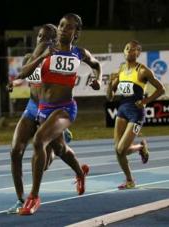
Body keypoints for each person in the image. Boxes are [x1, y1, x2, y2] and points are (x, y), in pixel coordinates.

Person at [15, 13, 102, 215]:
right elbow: (23, 73)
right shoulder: (48, 49)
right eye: (62, 25)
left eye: (69, 27)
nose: (63, 29)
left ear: (77, 32)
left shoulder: (80, 53)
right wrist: (43, 57)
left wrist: (96, 79)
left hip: (65, 109)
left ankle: (33, 197)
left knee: (38, 141)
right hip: (43, 109)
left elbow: (96, 65)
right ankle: (81, 173)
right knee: (61, 149)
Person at [7, 24, 82, 214]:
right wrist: (13, 83)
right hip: (31, 108)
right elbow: (22, 77)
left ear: (55, 40)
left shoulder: (56, 58)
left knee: (49, 159)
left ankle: (62, 143)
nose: (43, 40)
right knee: (15, 151)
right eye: (40, 36)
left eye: (48, 37)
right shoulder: (29, 58)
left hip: (49, 112)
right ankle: (20, 199)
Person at [106, 40, 165, 190]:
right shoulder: (121, 69)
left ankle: (139, 148)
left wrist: (146, 100)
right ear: (124, 51)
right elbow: (110, 97)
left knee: (121, 149)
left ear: (138, 53)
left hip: (136, 113)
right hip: (122, 110)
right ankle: (130, 180)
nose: (129, 51)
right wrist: (109, 83)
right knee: (118, 150)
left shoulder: (143, 70)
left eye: (133, 50)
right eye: (127, 49)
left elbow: (161, 90)